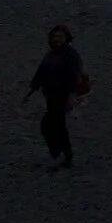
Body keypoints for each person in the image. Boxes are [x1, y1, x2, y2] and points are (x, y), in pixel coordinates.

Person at [24, 24, 86, 169]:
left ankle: (62, 154)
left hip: (63, 95)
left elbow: (74, 77)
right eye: (54, 36)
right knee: (53, 125)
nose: (57, 39)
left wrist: (71, 96)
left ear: (66, 38)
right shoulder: (51, 54)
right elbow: (41, 72)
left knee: (53, 125)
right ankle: (61, 154)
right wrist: (32, 90)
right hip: (51, 95)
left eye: (60, 37)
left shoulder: (70, 55)